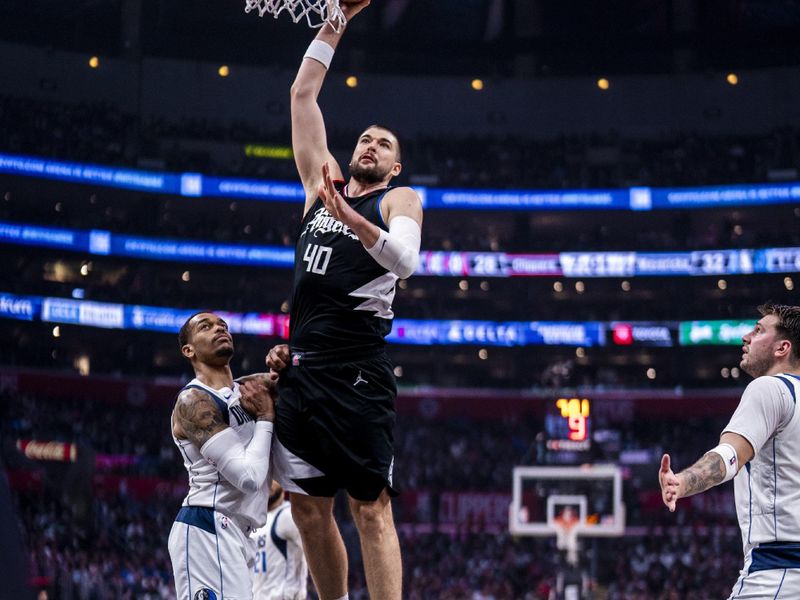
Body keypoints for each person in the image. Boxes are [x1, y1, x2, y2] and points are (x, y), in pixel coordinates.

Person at [267, 1, 423, 598]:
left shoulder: (397, 200)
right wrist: (336, 21)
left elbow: (405, 263)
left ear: (395, 162)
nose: (371, 144)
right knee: (308, 508)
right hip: (304, 372)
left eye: (383, 143)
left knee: (371, 509)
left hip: (358, 375)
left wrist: (353, 219)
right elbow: (302, 98)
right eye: (365, 137)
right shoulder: (320, 185)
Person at [659, 303, 800, 598]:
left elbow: (730, 455)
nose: (745, 337)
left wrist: (682, 482)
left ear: (782, 347)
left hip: (779, 574)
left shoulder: (769, 388)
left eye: (759, 330)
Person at [168, 311, 277, 600]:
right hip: (208, 524)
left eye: (223, 325)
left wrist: (285, 357)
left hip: (238, 530)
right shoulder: (194, 401)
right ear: (188, 350)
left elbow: (292, 377)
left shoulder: (245, 390)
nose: (219, 329)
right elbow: (248, 477)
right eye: (206, 327)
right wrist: (266, 415)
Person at [251, 481, 309, 600]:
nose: (271, 482)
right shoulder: (252, 522)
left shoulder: (289, 515)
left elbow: (317, 552)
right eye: (267, 478)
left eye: (275, 477)